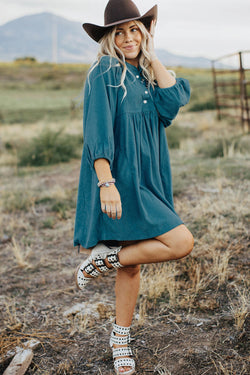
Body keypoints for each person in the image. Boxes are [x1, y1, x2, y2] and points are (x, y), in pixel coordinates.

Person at [74, 0, 194, 374]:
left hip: (152, 177)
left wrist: (153, 55)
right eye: (119, 32)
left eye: (135, 30)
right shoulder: (105, 72)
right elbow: (96, 132)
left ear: (145, 32)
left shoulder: (146, 73)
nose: (128, 38)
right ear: (109, 38)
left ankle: (108, 278)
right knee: (180, 242)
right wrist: (106, 182)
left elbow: (172, 104)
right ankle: (120, 340)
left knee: (133, 263)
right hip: (122, 179)